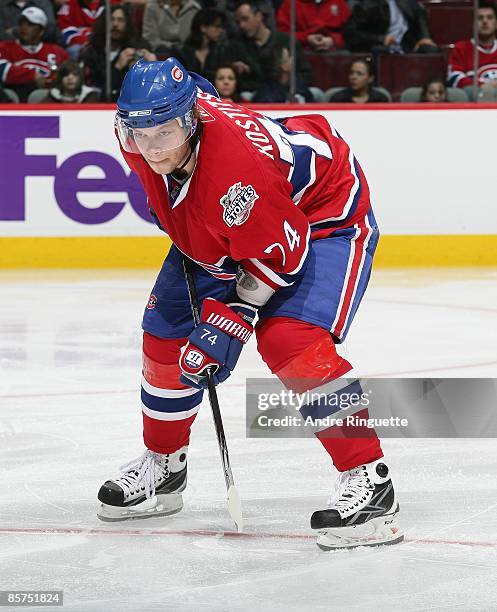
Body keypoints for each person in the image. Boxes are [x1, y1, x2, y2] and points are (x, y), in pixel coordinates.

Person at [96, 57, 403, 551]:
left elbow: (283, 252)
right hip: (232, 223)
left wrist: (232, 318)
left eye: (166, 134)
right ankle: (164, 467)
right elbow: (191, 88)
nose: (152, 150)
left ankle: (371, 480)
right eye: (139, 135)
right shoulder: (149, 128)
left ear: (192, 121)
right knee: (165, 332)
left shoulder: (237, 175)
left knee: (291, 341)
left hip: (321, 215)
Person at [81, 4, 156, 101]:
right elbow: (98, 93)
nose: (115, 24)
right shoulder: (93, 51)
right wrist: (117, 67)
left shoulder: (139, 45)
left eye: (120, 20)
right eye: (111, 20)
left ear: (127, 24)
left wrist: (154, 66)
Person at [175, 8, 261, 90]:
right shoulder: (181, 52)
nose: (220, 30)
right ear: (203, 28)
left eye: (221, 27)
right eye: (217, 26)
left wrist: (233, 68)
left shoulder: (224, 49)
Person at [234, 0, 311, 91]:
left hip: (288, 91)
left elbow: (306, 75)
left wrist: (286, 77)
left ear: (259, 16)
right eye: (238, 22)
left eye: (245, 19)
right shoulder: (238, 45)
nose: (242, 25)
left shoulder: (286, 41)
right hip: (256, 95)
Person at [0, 6, 68, 101]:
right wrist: (33, 75)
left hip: (47, 101)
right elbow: (1, 69)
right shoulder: (4, 47)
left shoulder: (57, 51)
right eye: (21, 23)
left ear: (41, 31)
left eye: (30, 24)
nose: (24, 27)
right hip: (13, 98)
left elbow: (70, 74)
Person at [344, 0, 437, 54]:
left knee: (430, 50)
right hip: (380, 48)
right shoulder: (366, 5)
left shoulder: (406, 2)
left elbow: (419, 14)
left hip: (407, 46)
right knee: (381, 51)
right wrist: (381, 39)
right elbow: (351, 33)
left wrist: (425, 37)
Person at [448, 1, 497, 97]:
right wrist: (482, 85)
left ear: (496, 23)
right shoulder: (461, 48)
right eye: (480, 18)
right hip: (475, 104)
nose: (485, 21)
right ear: (474, 24)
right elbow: (454, 78)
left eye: (490, 18)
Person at [276, 0, 351, 51]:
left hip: (336, 57)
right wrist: (306, 38)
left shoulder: (339, 3)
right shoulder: (290, 4)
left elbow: (351, 35)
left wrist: (333, 40)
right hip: (301, 55)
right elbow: (282, 35)